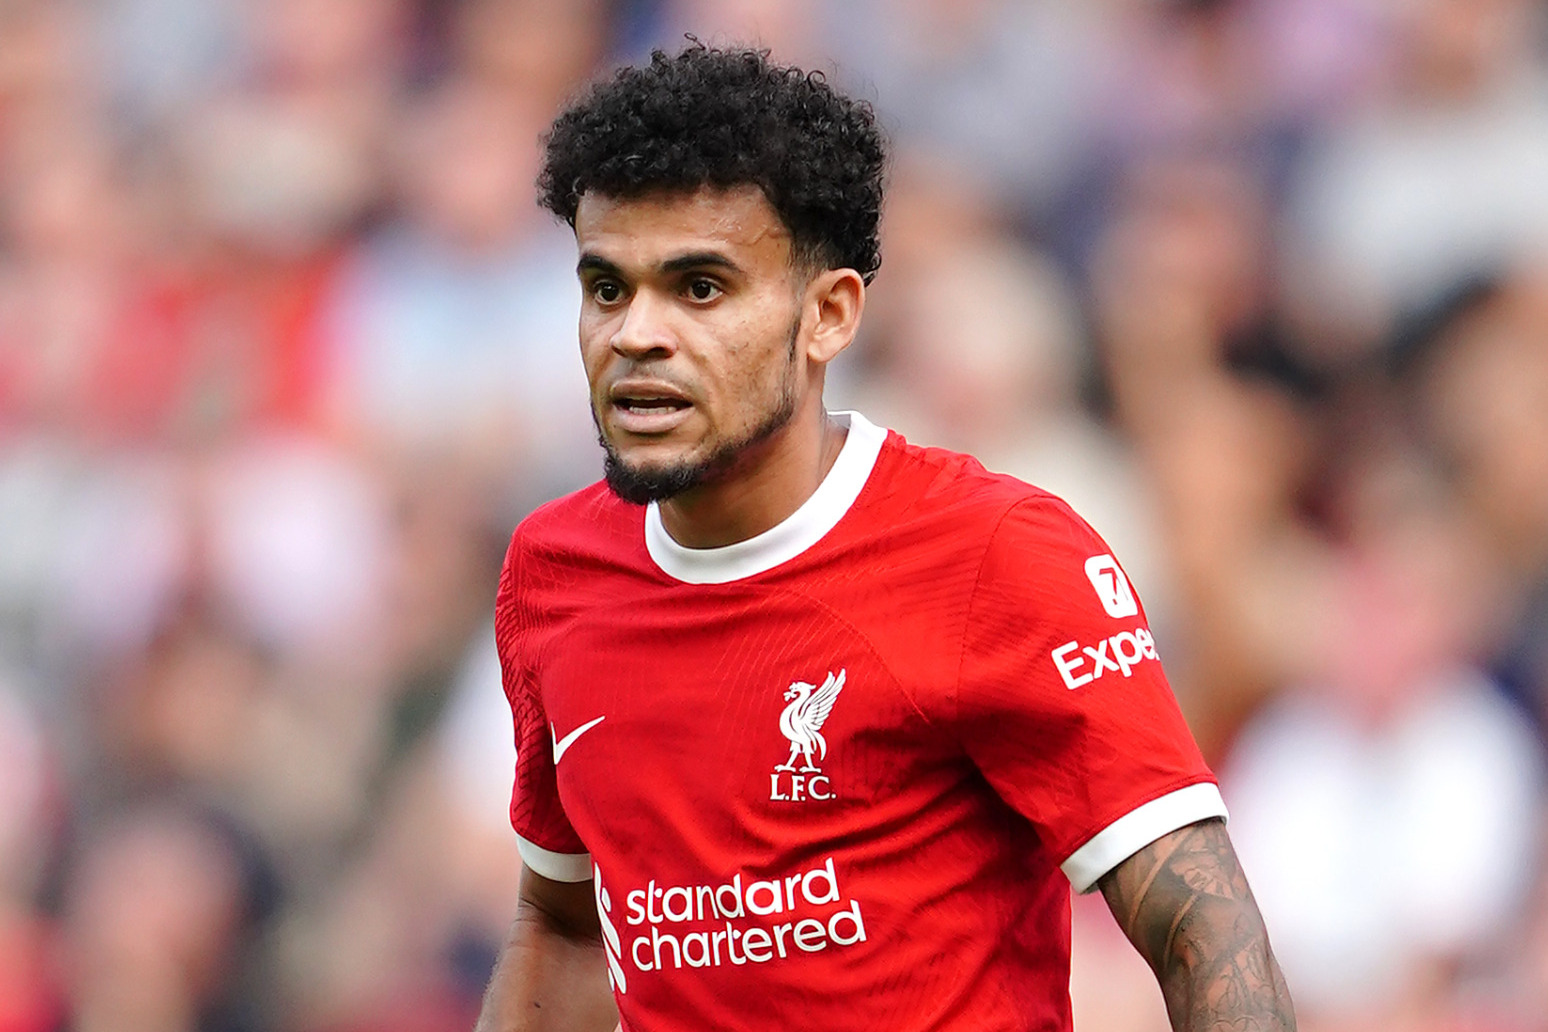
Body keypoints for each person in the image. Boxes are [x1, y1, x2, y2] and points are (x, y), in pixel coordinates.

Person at [478, 43, 1295, 1032]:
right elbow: (565, 927)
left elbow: (1203, 927)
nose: (634, 334)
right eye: (607, 288)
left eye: (699, 288)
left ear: (829, 315)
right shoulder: (553, 573)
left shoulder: (998, 553)